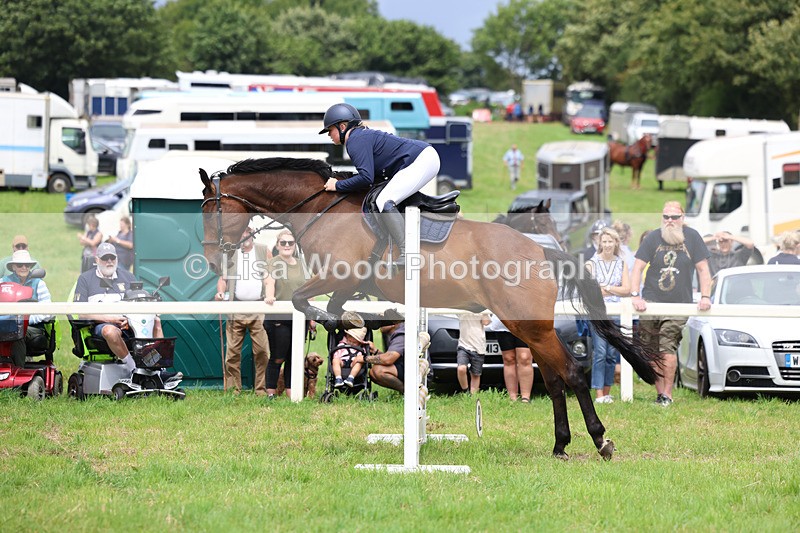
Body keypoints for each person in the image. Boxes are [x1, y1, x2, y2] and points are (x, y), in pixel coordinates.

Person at [320, 103, 440, 269]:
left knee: (384, 200)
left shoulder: (355, 140)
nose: (328, 135)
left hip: (422, 160)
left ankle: (408, 253)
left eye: (330, 130)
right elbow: (373, 178)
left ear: (342, 126)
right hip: (422, 158)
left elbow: (366, 178)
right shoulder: (359, 136)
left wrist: (338, 185)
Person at [630, 201, 712, 406]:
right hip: (650, 302)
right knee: (650, 351)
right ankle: (660, 394)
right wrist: (635, 295)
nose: (669, 221)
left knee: (667, 347)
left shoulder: (692, 237)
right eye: (666, 217)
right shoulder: (653, 237)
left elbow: (703, 270)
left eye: (674, 217)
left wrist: (705, 296)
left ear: (682, 218)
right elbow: (637, 268)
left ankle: (668, 394)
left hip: (678, 304)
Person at [73, 242, 157, 374]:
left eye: (112, 258)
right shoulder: (85, 279)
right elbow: (81, 313)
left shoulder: (128, 277)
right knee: (110, 331)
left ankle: (157, 367)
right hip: (101, 325)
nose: (109, 262)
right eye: (105, 258)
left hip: (129, 322)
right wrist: (110, 319)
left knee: (155, 321)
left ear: (117, 259)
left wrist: (129, 320)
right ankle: (133, 369)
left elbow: (138, 304)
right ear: (96, 260)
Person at [215, 226, 270, 396]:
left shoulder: (263, 250)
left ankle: (260, 390)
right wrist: (220, 291)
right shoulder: (231, 253)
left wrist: (269, 296)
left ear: (253, 234)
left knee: (262, 351)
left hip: (258, 308)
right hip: (236, 308)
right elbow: (222, 279)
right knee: (232, 353)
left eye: (248, 232)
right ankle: (234, 391)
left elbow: (269, 278)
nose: (245, 235)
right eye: (242, 232)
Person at [264, 229, 313, 399]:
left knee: (295, 357)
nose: (286, 246)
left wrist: (311, 316)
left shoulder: (302, 263)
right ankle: (270, 393)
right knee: (278, 357)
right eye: (283, 242)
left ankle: (292, 394)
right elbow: (269, 282)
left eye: (290, 243)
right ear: (277, 245)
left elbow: (310, 289)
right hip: (279, 317)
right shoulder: (273, 262)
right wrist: (269, 296)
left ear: (294, 245)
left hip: (300, 317)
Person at [585, 227, 630, 403]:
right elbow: (591, 290)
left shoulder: (621, 263)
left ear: (616, 243)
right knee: (600, 352)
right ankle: (598, 394)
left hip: (616, 313)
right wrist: (608, 290)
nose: (607, 245)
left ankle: (607, 391)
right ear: (599, 243)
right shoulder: (591, 263)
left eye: (610, 241)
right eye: (604, 241)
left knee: (612, 353)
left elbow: (627, 289)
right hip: (598, 312)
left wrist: (608, 288)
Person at [2, 250, 53, 368]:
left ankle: (18, 371)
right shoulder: (3, 282)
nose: (24, 267)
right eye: (20, 265)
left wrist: (24, 320)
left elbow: (48, 312)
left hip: (32, 327)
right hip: (6, 324)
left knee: (18, 332)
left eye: (27, 265)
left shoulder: (39, 284)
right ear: (13, 267)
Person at [487, 314, 533, 403]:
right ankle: (512, 398)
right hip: (502, 322)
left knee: (524, 358)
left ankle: (525, 398)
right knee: (508, 358)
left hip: (525, 321)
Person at [352, 322, 405, 394]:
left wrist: (364, 358)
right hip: (404, 366)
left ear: (393, 323)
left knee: (377, 370)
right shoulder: (395, 332)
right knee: (373, 372)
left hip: (413, 370)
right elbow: (393, 358)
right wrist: (375, 351)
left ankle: (408, 392)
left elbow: (389, 359)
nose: (380, 324)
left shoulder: (401, 334)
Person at [456, 312, 491, 394]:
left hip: (479, 346)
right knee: (461, 368)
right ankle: (465, 391)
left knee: (476, 374)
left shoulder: (481, 309)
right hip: (463, 345)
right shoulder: (462, 309)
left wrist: (483, 311)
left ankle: (473, 396)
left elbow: (486, 322)